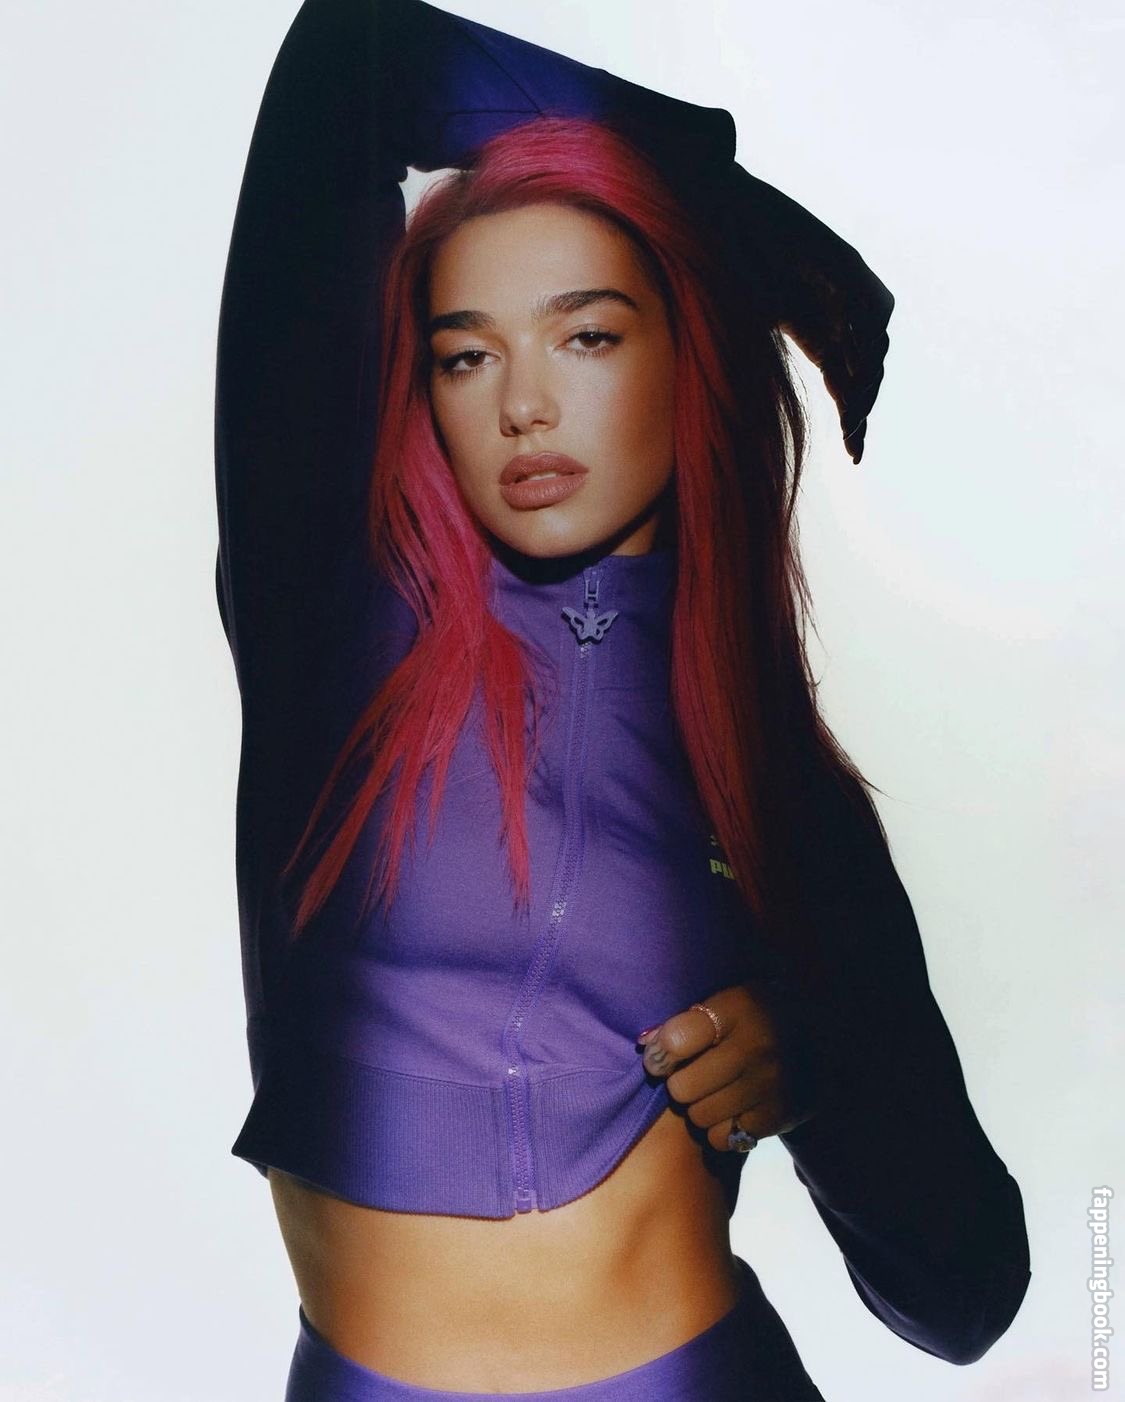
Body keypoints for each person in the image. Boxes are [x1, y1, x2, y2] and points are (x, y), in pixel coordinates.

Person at [213, 1, 1032, 1397]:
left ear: (686, 356)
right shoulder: (334, 619)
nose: (524, 404)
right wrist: (726, 205)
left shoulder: (775, 790)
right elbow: (352, 51)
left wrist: (818, 1061)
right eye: (467, 354)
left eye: (586, 336)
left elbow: (967, 1298)